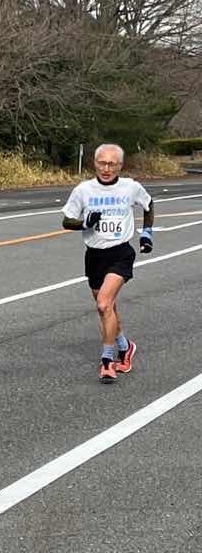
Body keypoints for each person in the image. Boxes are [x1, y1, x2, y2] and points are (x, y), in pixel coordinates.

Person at [61, 143, 154, 383]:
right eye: (102, 162)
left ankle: (107, 361)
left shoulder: (130, 187)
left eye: (112, 164)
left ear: (120, 166)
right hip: (94, 256)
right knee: (108, 308)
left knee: (103, 304)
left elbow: (148, 204)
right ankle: (125, 346)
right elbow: (66, 220)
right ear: (95, 163)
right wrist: (84, 223)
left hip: (120, 253)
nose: (106, 168)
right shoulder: (84, 190)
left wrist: (147, 234)